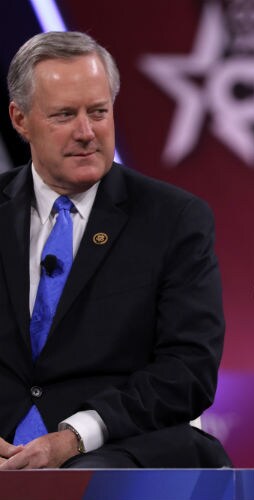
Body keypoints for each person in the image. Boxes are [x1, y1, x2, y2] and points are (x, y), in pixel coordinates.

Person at [0, 31, 230, 469]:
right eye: (65, 115)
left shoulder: (173, 219)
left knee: (89, 481)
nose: (87, 132)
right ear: (20, 119)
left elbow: (188, 370)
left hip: (112, 445)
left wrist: (74, 436)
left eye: (99, 112)